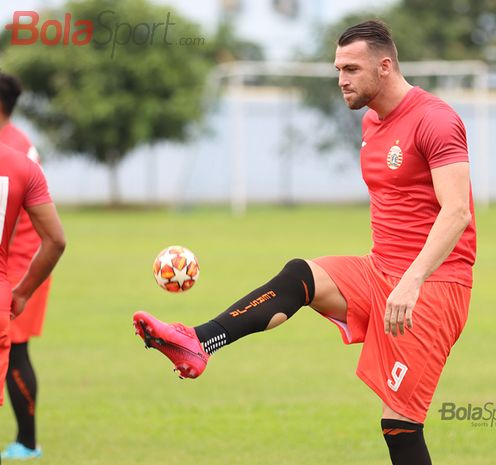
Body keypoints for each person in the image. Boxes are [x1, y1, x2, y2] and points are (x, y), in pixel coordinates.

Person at [133, 20, 475, 465]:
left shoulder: (436, 119)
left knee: (400, 427)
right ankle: (196, 343)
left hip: (433, 285)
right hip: (380, 271)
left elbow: (458, 211)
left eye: (351, 69)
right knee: (301, 276)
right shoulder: (372, 122)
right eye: (338, 69)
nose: (341, 80)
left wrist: (410, 281)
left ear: (385, 66)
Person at [0, 130, 65, 461]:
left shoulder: (13, 147)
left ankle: (26, 441)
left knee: (17, 355)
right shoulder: (17, 150)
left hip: (20, 265)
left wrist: (22, 288)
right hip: (15, 270)